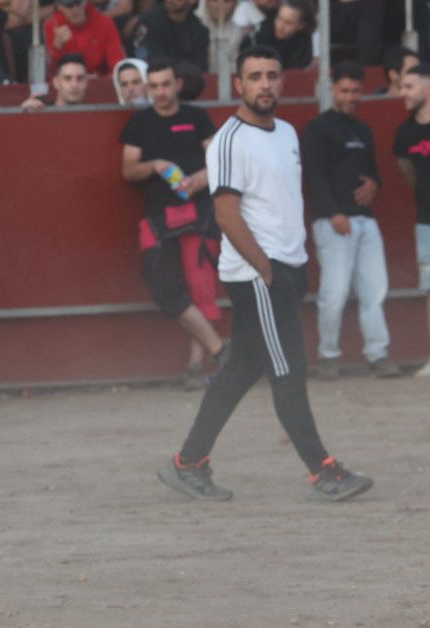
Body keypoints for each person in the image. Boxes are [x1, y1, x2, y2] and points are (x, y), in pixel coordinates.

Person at [159, 47, 372, 503]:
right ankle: (323, 470)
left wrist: (292, 265)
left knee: (242, 367)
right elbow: (225, 212)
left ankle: (188, 462)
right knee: (288, 369)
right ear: (239, 84)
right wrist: (265, 267)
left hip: (285, 268)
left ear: (282, 81)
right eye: (255, 76)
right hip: (259, 273)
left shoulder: (287, 133)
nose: (265, 84)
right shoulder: (229, 140)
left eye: (272, 75)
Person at [120, 58, 228, 388]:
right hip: (159, 217)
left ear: (177, 84)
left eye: (166, 85)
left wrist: (202, 178)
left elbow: (221, 161)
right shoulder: (140, 123)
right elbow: (128, 171)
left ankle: (196, 367)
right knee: (164, 288)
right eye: (154, 86)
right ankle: (221, 350)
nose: (161, 92)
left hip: (200, 213)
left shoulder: (196, 117)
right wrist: (154, 165)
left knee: (201, 291)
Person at [306, 61, 394, 379]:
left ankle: (377, 352)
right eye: (344, 90)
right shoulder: (317, 129)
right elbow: (314, 176)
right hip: (334, 222)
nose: (350, 97)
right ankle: (328, 355)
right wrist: (333, 214)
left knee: (375, 289)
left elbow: (373, 172)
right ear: (332, 89)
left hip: (365, 220)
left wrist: (373, 184)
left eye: (356, 91)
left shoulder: (363, 129)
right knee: (335, 292)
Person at [394, 60, 430, 372]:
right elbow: (408, 174)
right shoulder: (405, 133)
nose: (402, 92)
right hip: (426, 221)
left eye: (409, 86)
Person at [43, 0, 124, 75]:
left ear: (85, 1)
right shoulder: (52, 26)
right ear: (59, 7)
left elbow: (117, 64)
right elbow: (50, 72)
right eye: (68, 5)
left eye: (78, 3)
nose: (75, 9)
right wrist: (57, 48)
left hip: (99, 82)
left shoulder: (104, 23)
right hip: (68, 85)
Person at [132, 0, 210, 68]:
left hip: (186, 81)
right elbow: (149, 60)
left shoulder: (199, 30)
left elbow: (200, 67)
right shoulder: (150, 22)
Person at [241, 1, 312, 71]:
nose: (280, 26)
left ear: (301, 25)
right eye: (279, 18)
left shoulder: (304, 41)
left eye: (288, 23)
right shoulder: (263, 32)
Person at [21, 51, 88, 111]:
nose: (74, 85)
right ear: (56, 82)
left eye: (80, 78)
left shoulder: (94, 116)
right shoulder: (41, 112)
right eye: (67, 78)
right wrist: (26, 115)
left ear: (86, 82)